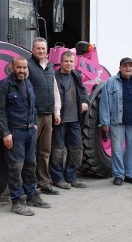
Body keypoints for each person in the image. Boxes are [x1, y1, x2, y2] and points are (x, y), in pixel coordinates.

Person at [0, 56, 51, 216]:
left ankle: (32, 195)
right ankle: (17, 202)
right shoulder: (4, 86)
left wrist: (34, 123)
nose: (22, 71)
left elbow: (32, 106)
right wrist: (5, 133)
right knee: (16, 167)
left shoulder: (28, 84)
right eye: (19, 68)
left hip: (29, 131)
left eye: (25, 68)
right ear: (12, 67)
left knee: (30, 165)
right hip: (15, 132)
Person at [99, 57, 132, 186]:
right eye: (125, 66)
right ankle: (118, 175)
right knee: (117, 150)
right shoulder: (111, 82)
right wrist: (105, 122)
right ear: (120, 68)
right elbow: (104, 103)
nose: (128, 68)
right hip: (116, 122)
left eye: (130, 66)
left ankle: (130, 175)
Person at [27, 37, 62, 195]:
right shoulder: (27, 66)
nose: (41, 51)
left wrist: (57, 111)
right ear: (32, 49)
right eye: (38, 48)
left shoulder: (49, 67)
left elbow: (55, 90)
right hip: (34, 116)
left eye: (43, 48)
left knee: (45, 151)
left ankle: (44, 183)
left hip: (48, 115)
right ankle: (29, 185)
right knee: (30, 152)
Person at [50, 51, 89, 189]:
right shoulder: (54, 77)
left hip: (74, 119)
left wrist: (85, 101)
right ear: (61, 62)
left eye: (71, 61)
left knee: (76, 148)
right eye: (66, 61)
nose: (68, 64)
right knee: (58, 149)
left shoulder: (77, 76)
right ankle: (58, 178)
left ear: (75, 63)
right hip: (59, 120)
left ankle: (71, 177)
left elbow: (84, 91)